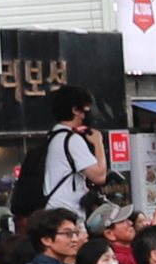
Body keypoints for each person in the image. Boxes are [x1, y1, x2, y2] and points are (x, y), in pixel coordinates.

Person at [33, 92, 111, 220]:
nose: (88, 113)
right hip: (67, 213)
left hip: (54, 210)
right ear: (75, 110)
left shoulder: (53, 136)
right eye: (85, 109)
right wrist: (98, 143)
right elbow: (99, 176)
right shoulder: (71, 139)